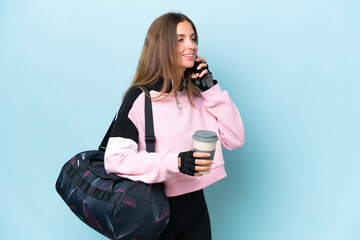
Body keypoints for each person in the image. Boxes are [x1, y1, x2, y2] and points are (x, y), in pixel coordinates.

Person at [104, 12, 245, 240]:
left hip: (196, 208)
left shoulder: (198, 97)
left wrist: (210, 88)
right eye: (180, 39)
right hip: (153, 210)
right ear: (161, 46)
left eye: (193, 38)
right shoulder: (140, 98)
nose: (191, 45)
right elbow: (115, 160)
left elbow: (235, 138)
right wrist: (176, 161)